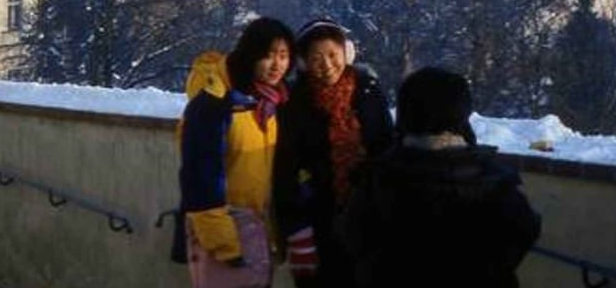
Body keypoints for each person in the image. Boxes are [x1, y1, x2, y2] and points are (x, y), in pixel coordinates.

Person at [343, 67, 541, 288]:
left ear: (406, 113)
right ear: (461, 112)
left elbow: (353, 237)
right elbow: (524, 230)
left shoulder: (379, 177)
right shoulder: (493, 178)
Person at [172, 17, 295, 285]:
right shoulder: (215, 105)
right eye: (268, 56)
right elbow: (199, 176)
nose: (277, 65)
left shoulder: (270, 103)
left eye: (284, 56)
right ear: (250, 55)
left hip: (258, 233)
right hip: (227, 237)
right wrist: (226, 244)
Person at [273, 18, 393, 287]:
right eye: (316, 58)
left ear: (346, 53)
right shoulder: (293, 103)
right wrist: (295, 231)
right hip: (319, 223)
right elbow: (284, 172)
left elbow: (387, 147)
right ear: (302, 61)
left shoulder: (369, 92)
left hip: (369, 221)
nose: (326, 65)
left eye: (332, 55)